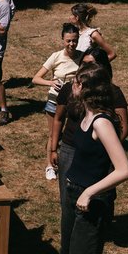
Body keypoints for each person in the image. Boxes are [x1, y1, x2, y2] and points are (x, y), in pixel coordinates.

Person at [56, 62, 128, 254]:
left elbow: (124, 169)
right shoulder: (83, 114)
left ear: (88, 89)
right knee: (67, 251)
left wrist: (90, 191)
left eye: (76, 83)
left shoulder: (101, 122)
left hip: (92, 201)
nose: (72, 86)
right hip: (74, 192)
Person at [51, 47, 128, 206]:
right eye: (83, 64)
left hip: (93, 154)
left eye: (90, 65)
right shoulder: (70, 89)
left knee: (98, 199)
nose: (84, 68)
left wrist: (105, 150)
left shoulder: (112, 94)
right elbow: (58, 119)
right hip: (69, 148)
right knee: (68, 198)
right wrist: (53, 149)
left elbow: (123, 128)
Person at [32, 23, 83, 180]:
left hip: (75, 100)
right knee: (54, 134)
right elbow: (35, 78)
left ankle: (72, 164)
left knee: (75, 133)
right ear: (62, 39)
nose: (71, 44)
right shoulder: (56, 56)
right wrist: (51, 83)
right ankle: (49, 166)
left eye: (74, 40)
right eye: (68, 40)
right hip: (55, 99)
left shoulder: (82, 57)